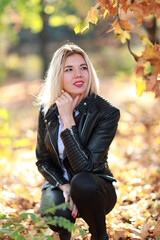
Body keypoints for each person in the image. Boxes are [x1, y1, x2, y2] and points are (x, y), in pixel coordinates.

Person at [35, 42, 120, 240]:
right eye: (69, 70)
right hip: (62, 185)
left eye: (83, 68)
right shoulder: (47, 110)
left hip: (95, 189)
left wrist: (68, 121)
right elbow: (43, 160)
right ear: (58, 75)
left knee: (82, 182)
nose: (78, 75)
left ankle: (99, 235)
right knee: (55, 208)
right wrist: (62, 185)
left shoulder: (106, 113)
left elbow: (86, 166)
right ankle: (63, 235)